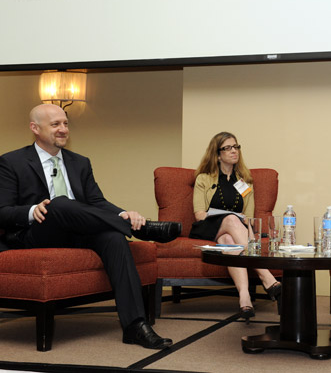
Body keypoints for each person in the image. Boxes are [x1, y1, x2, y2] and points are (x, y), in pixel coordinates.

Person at [0, 104, 181, 349]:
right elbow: (3, 211)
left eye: (65, 123)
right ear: (35, 128)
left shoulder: (80, 162)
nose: (63, 129)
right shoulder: (11, 162)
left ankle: (134, 326)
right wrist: (32, 210)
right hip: (35, 234)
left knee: (113, 238)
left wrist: (122, 213)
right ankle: (143, 229)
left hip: (76, 232)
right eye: (55, 124)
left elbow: (96, 202)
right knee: (60, 204)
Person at [189, 132, 281, 319]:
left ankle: (244, 298)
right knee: (231, 219)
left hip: (234, 229)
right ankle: (267, 277)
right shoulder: (204, 179)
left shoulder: (244, 182)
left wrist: (250, 235)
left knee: (229, 241)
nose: (234, 151)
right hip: (207, 226)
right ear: (217, 154)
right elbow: (199, 214)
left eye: (236, 147)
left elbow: (248, 217)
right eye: (228, 148)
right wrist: (229, 216)